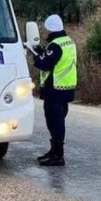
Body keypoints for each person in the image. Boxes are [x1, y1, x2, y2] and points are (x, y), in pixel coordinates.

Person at [30, 14, 77, 167]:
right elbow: (56, 60)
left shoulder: (55, 45)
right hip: (66, 89)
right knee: (59, 121)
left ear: (49, 29)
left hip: (54, 91)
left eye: (45, 29)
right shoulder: (68, 42)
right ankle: (54, 151)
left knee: (55, 123)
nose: (44, 32)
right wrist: (42, 51)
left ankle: (58, 156)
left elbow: (45, 64)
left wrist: (35, 55)